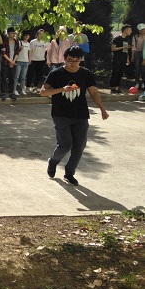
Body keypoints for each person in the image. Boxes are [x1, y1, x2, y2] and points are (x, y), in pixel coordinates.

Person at [40, 46, 109, 186]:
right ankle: (53, 161)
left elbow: (93, 92)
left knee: (79, 146)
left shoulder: (85, 73)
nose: (73, 63)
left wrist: (102, 109)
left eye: (77, 61)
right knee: (65, 145)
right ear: (65, 59)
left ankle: (69, 173)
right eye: (70, 60)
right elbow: (43, 92)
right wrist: (61, 89)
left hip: (80, 114)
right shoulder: (56, 74)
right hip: (61, 114)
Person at [109, 24, 132, 94]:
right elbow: (112, 48)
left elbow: (126, 50)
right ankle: (112, 88)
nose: (131, 31)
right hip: (117, 58)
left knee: (120, 73)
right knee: (115, 73)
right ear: (126, 30)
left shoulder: (127, 39)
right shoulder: (117, 39)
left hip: (124, 59)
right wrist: (123, 47)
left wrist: (127, 59)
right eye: (130, 30)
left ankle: (117, 87)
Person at [0, 27, 19, 101]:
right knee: (4, 78)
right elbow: (3, 53)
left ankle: (11, 92)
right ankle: (3, 92)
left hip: (13, 63)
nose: (13, 34)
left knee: (12, 78)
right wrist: (10, 61)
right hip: (5, 62)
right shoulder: (5, 42)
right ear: (8, 34)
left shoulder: (16, 42)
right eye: (11, 33)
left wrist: (13, 61)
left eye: (14, 33)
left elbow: (17, 52)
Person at [132, 23, 145, 90]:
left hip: (144, 54)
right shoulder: (135, 37)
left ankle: (143, 82)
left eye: (143, 29)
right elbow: (133, 47)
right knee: (137, 69)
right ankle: (137, 82)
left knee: (143, 69)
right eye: (141, 29)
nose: (142, 31)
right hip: (137, 53)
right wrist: (132, 56)